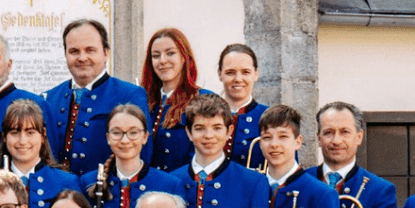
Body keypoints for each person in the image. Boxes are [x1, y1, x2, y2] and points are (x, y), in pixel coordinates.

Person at [86, 103, 185, 208]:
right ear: (108, 137)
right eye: (117, 133)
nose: (125, 140)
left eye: (133, 133)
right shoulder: (88, 182)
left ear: (145, 137)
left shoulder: (169, 184)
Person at [43, 18, 146, 177]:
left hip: (106, 188)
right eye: (74, 51)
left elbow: (142, 157)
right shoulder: (50, 98)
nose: (82, 58)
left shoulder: (129, 95)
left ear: (106, 53)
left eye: (90, 50)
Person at [178, 95, 270, 208]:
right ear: (189, 133)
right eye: (199, 128)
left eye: (217, 128)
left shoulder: (253, 183)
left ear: (229, 131)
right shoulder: (171, 181)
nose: (209, 135)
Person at [0, 99, 78, 208]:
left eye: (30, 132)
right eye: (14, 132)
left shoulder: (67, 182)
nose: (22, 141)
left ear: (43, 135)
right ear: (4, 137)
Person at [316, 102, 397, 208]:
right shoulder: (299, 182)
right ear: (319, 138)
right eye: (328, 133)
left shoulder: (380, 191)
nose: (336, 141)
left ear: (359, 137)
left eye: (345, 132)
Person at [141, 28, 213, 173]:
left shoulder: (204, 99)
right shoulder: (144, 101)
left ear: (184, 57)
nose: (162, 61)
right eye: (156, 56)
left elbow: (207, 155)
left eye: (170, 53)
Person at [217, 44, 269, 171]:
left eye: (246, 72)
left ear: (256, 74)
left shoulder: (271, 118)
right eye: (230, 72)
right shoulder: (204, 117)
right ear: (220, 74)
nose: (238, 79)